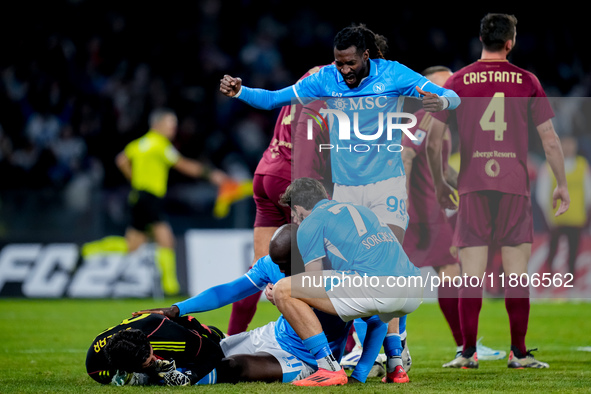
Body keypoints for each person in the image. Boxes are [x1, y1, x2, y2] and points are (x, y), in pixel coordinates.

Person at [220, 23, 459, 380]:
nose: (343, 70)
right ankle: (371, 355)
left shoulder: (393, 73)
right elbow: (273, 99)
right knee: (352, 274)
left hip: (385, 185)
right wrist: (241, 92)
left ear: (366, 56)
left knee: (386, 268)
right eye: (338, 63)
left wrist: (439, 100)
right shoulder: (325, 79)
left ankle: (394, 358)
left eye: (349, 63)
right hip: (345, 191)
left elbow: (451, 98)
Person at [426, 13, 570, 369]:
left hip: (472, 187)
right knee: (517, 276)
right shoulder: (527, 81)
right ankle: (518, 353)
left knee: (470, 275)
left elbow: (432, 141)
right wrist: (562, 184)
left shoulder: (458, 81)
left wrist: (442, 181)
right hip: (513, 188)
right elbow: (549, 140)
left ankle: (467, 352)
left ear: (481, 39)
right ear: (510, 42)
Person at [132, 224, 387, 385]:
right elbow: (229, 291)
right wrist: (178, 308)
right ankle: (145, 370)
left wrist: (360, 375)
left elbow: (376, 321)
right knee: (208, 351)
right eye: (278, 264)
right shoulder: (273, 264)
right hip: (272, 335)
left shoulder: (339, 274)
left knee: (234, 367)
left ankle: (158, 380)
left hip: (306, 359)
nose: (281, 270)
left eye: (286, 265)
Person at [272, 177, 423, 386]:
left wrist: (284, 294)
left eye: (294, 216)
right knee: (381, 298)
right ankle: (395, 364)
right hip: (413, 288)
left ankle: (328, 367)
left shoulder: (311, 223)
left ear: (298, 208)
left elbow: (313, 282)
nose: (295, 222)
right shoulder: (361, 210)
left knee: (283, 290)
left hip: (378, 289)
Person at [81, 108, 248, 296]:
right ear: (158, 125)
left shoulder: (141, 143)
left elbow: (121, 160)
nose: (173, 128)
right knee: (166, 240)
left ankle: (88, 251)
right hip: (150, 198)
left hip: (139, 197)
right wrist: (212, 175)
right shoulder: (160, 144)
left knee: (132, 246)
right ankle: (171, 289)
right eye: (170, 124)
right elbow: (183, 164)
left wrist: (136, 180)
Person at [401, 66, 505, 361]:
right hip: (422, 213)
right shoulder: (424, 119)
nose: (451, 89)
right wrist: (404, 201)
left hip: (426, 211)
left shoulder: (440, 122)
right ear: (424, 91)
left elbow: (442, 168)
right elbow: (406, 155)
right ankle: (465, 346)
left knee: (401, 278)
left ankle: (362, 347)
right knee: (449, 273)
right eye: (443, 85)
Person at [227, 65, 332, 336]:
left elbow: (271, 100)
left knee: (259, 267)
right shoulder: (332, 91)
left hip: (266, 171)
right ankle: (343, 346)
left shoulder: (305, 82)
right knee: (325, 264)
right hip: (291, 176)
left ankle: (232, 337)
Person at [86, 312, 226, 386]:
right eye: (147, 363)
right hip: (151, 329)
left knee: (222, 350)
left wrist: (191, 376)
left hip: (188, 331)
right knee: (157, 376)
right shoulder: (95, 364)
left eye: (151, 357)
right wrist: (149, 375)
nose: (153, 359)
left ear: (150, 345)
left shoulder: (169, 338)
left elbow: (215, 351)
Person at [536, 135, 591, 278]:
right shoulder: (549, 166)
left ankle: (570, 284)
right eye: (564, 144)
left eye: (571, 144)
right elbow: (542, 195)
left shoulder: (582, 165)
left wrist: (585, 214)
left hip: (576, 218)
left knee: (573, 252)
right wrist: (548, 218)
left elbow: (588, 192)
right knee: (552, 251)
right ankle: (547, 282)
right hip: (556, 219)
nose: (568, 148)